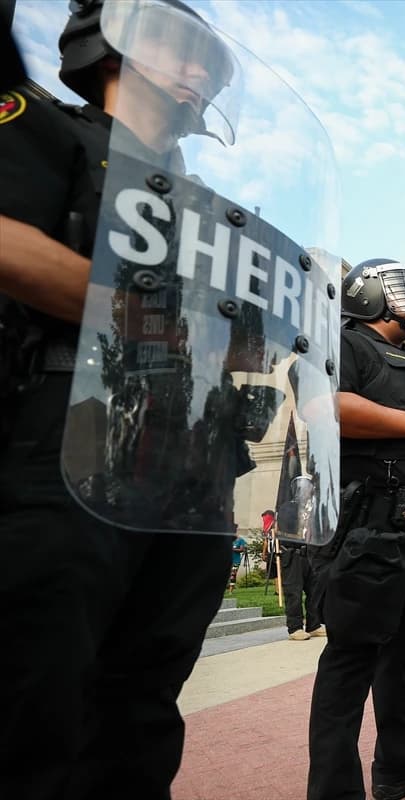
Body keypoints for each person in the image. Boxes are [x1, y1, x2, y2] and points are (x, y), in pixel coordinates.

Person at [0, 2, 285, 796]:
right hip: (66, 441)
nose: (200, 75)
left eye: (210, 65)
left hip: (188, 469)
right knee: (36, 698)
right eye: (181, 52)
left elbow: (241, 341)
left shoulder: (210, 211)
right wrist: (137, 309)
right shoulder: (45, 128)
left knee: (144, 705)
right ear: (110, 40)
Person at [307, 260, 405, 800]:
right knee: (352, 658)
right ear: (369, 293)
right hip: (367, 523)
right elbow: (321, 405)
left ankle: (400, 764)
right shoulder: (348, 344)